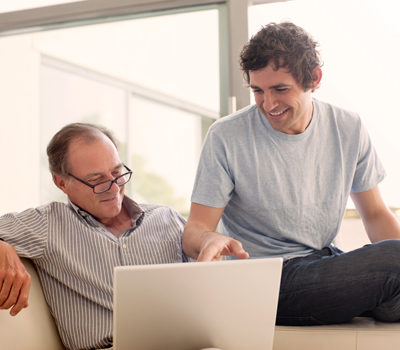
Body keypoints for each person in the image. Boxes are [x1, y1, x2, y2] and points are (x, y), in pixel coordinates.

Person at [182, 22, 400, 326]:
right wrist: (207, 240)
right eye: (257, 91)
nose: (268, 104)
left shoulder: (348, 128)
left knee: (394, 299)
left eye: (280, 89)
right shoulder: (226, 136)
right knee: (393, 262)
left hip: (324, 263)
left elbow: (376, 215)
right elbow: (195, 228)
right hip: (266, 279)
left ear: (314, 79)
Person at [0, 123, 186, 350]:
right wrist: (2, 247)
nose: (113, 187)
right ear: (61, 183)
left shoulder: (167, 219)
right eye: (97, 180)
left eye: (117, 173)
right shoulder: (48, 224)